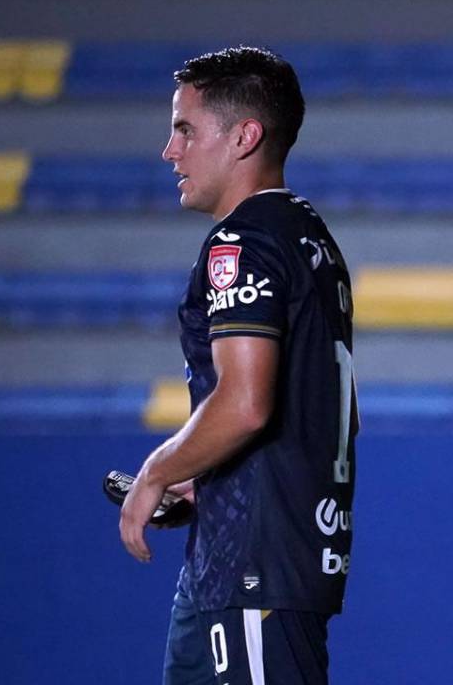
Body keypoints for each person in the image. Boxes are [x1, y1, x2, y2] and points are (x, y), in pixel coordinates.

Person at [119, 46, 357, 685]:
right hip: (243, 548)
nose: (171, 150)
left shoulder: (243, 241)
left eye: (185, 129)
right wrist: (203, 470)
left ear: (245, 136)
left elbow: (247, 401)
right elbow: (322, 403)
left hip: (258, 554)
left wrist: (157, 471)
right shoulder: (305, 231)